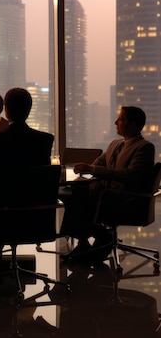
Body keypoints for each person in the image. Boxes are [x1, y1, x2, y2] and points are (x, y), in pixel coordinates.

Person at [0, 87, 54, 270]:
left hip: (0, 214)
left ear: (5, 110)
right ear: (29, 109)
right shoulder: (44, 140)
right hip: (35, 214)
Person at [61, 106, 155, 263]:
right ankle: (86, 241)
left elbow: (130, 176)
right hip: (108, 195)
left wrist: (94, 171)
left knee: (76, 197)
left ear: (131, 124)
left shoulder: (144, 147)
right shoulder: (115, 144)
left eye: (120, 119)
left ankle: (98, 237)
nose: (115, 122)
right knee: (70, 192)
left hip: (125, 200)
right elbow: (100, 165)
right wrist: (96, 180)